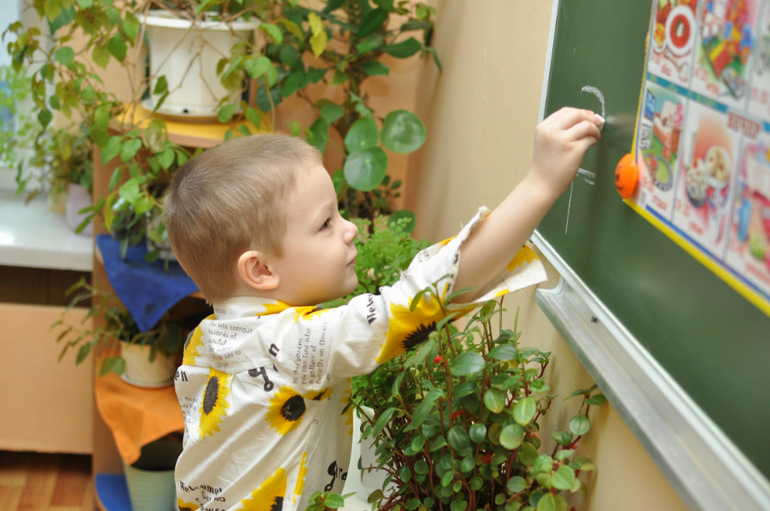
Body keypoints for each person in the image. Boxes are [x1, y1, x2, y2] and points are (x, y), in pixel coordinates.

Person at [163, 107, 602, 511]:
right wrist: (541, 183)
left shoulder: (208, 337)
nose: (351, 230)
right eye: (326, 224)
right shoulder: (288, 346)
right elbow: (416, 301)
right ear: (260, 270)